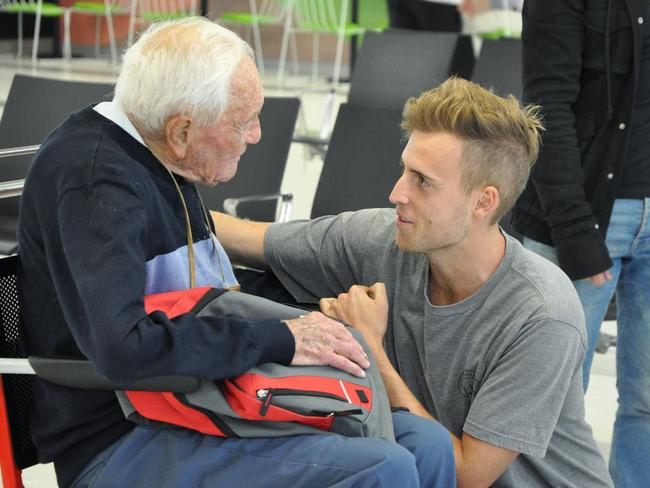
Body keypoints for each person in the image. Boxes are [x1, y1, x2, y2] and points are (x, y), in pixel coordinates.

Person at [17, 18, 456, 488]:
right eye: (243, 121)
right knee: (382, 467)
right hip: (121, 435)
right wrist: (283, 340)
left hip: (202, 398)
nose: (257, 135)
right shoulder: (97, 183)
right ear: (182, 130)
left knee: (424, 444)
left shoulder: (155, 148)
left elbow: (206, 293)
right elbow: (124, 350)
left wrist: (317, 317)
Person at [215, 77, 614, 488]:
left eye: (422, 181)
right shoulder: (382, 238)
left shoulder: (542, 314)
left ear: (483, 201)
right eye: (404, 171)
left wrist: (370, 347)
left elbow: (464, 475)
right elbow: (239, 237)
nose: (396, 193)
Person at [512, 0, 650, 485]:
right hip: (581, 211)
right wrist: (575, 229)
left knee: (648, 397)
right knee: (553, 398)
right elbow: (545, 110)